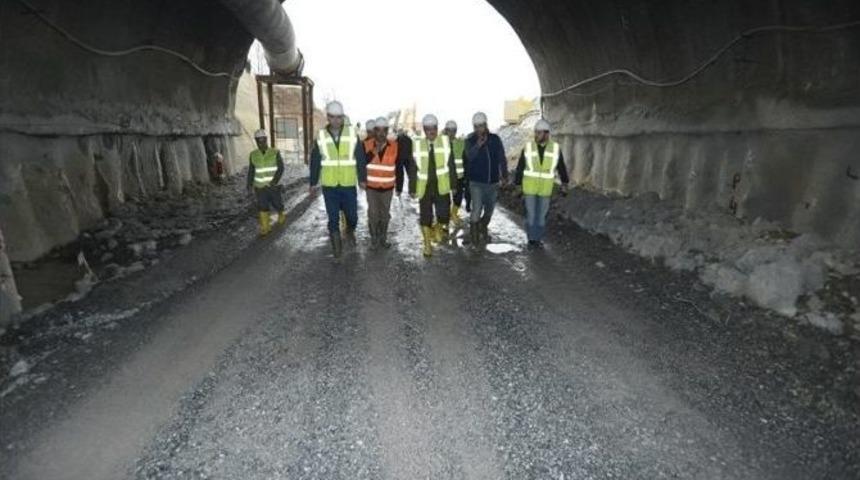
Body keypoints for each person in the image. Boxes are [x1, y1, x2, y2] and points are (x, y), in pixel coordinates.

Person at [309, 101, 367, 258]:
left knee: (353, 217)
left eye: (339, 117)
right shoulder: (321, 136)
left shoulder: (351, 133)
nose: (336, 120)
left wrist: (362, 178)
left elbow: (360, 156)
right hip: (330, 185)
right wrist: (313, 182)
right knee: (332, 218)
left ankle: (350, 229)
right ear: (328, 117)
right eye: (333, 117)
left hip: (348, 184)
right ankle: (337, 249)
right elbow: (315, 160)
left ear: (342, 117)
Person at [514, 119, 570, 249]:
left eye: (539, 133)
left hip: (545, 188)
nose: (536, 135)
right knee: (531, 215)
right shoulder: (528, 147)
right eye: (535, 132)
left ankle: (537, 239)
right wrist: (517, 184)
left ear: (546, 133)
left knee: (541, 217)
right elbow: (520, 166)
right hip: (530, 187)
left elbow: (561, 167)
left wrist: (565, 183)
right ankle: (532, 240)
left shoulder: (555, 148)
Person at [410, 114, 457, 258]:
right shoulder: (417, 144)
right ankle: (427, 244)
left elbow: (451, 165)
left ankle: (437, 228)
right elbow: (413, 168)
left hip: (441, 185)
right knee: (426, 216)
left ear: (437, 129)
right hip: (424, 187)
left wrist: (453, 184)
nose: (432, 131)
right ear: (424, 130)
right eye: (428, 129)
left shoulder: (444, 142)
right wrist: (412, 188)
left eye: (434, 128)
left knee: (443, 215)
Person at [465, 112, 508, 246]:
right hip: (476, 183)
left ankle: (482, 226)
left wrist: (504, 175)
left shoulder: (495, 139)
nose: (479, 129)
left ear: (486, 125)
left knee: (489, 210)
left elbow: (501, 158)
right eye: (476, 126)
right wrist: (478, 145)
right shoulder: (470, 140)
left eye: (481, 126)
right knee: (476, 209)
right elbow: (469, 157)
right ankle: (475, 239)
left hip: (492, 183)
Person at [363, 117, 399, 249]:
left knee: (384, 215)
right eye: (378, 130)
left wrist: (399, 186)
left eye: (385, 130)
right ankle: (374, 240)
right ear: (375, 130)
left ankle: (383, 238)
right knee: (373, 214)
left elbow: (399, 166)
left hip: (387, 188)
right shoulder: (366, 144)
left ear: (387, 131)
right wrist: (375, 151)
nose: (381, 133)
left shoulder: (394, 146)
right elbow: (362, 163)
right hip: (371, 187)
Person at [247, 129, 286, 236]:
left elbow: (281, 168)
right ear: (256, 141)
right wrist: (249, 185)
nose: (261, 142)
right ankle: (265, 227)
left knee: (277, 203)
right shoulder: (253, 155)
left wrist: (274, 181)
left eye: (263, 140)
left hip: (273, 186)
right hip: (259, 187)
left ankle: (281, 213)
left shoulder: (275, 152)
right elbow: (251, 170)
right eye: (259, 140)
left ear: (266, 140)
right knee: (262, 206)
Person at [444, 120, 467, 228]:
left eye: (454, 131)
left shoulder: (460, 143)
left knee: (458, 198)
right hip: (445, 176)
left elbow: (466, 158)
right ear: (446, 130)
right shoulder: (441, 143)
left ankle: (453, 213)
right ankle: (445, 218)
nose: (451, 133)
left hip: (459, 176)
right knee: (445, 199)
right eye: (449, 130)